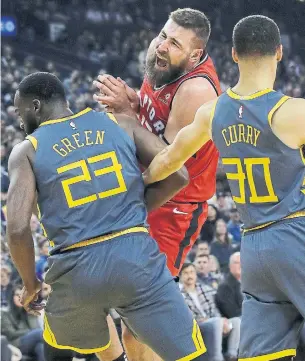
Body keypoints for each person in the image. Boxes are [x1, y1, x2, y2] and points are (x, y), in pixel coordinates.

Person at [6, 72, 207, 361]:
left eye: (20, 111)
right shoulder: (120, 123)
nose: (20, 121)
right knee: (190, 353)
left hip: (77, 266)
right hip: (136, 258)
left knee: (62, 343)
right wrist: (130, 213)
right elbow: (178, 174)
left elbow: (16, 230)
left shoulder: (27, 150)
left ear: (35, 106)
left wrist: (30, 283)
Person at [143, 15, 305, 361]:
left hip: (254, 248)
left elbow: (167, 160)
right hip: (294, 234)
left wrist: (135, 186)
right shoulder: (294, 112)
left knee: (262, 353)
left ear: (233, 54)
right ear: (279, 53)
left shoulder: (213, 111)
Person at [95, 10, 221, 358]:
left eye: (174, 43)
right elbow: (152, 110)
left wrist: (127, 115)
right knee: (119, 314)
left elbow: (165, 160)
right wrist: (133, 100)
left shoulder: (196, 89)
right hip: (147, 191)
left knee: (141, 321)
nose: (162, 46)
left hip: (176, 205)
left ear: (195, 55)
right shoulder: (164, 61)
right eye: (163, 35)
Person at [180, 263, 240, 361]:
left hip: (214, 322)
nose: (189, 275)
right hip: (198, 327)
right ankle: (216, 358)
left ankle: (231, 355)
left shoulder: (206, 289)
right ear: (181, 277)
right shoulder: (180, 296)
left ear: (195, 274)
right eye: (186, 273)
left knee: (236, 321)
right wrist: (216, 320)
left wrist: (222, 320)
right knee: (216, 322)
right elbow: (187, 318)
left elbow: (215, 309)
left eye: (191, 272)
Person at [1, 285, 45, 361]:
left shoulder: (28, 312)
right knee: (40, 333)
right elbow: (11, 334)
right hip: (15, 344)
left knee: (40, 347)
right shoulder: (5, 313)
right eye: (17, 295)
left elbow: (35, 327)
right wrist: (29, 332)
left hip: (31, 342)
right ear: (12, 297)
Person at [216, 252, 242, 319]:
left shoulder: (249, 282)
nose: (241, 265)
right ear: (230, 266)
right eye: (237, 263)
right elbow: (233, 313)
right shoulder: (225, 286)